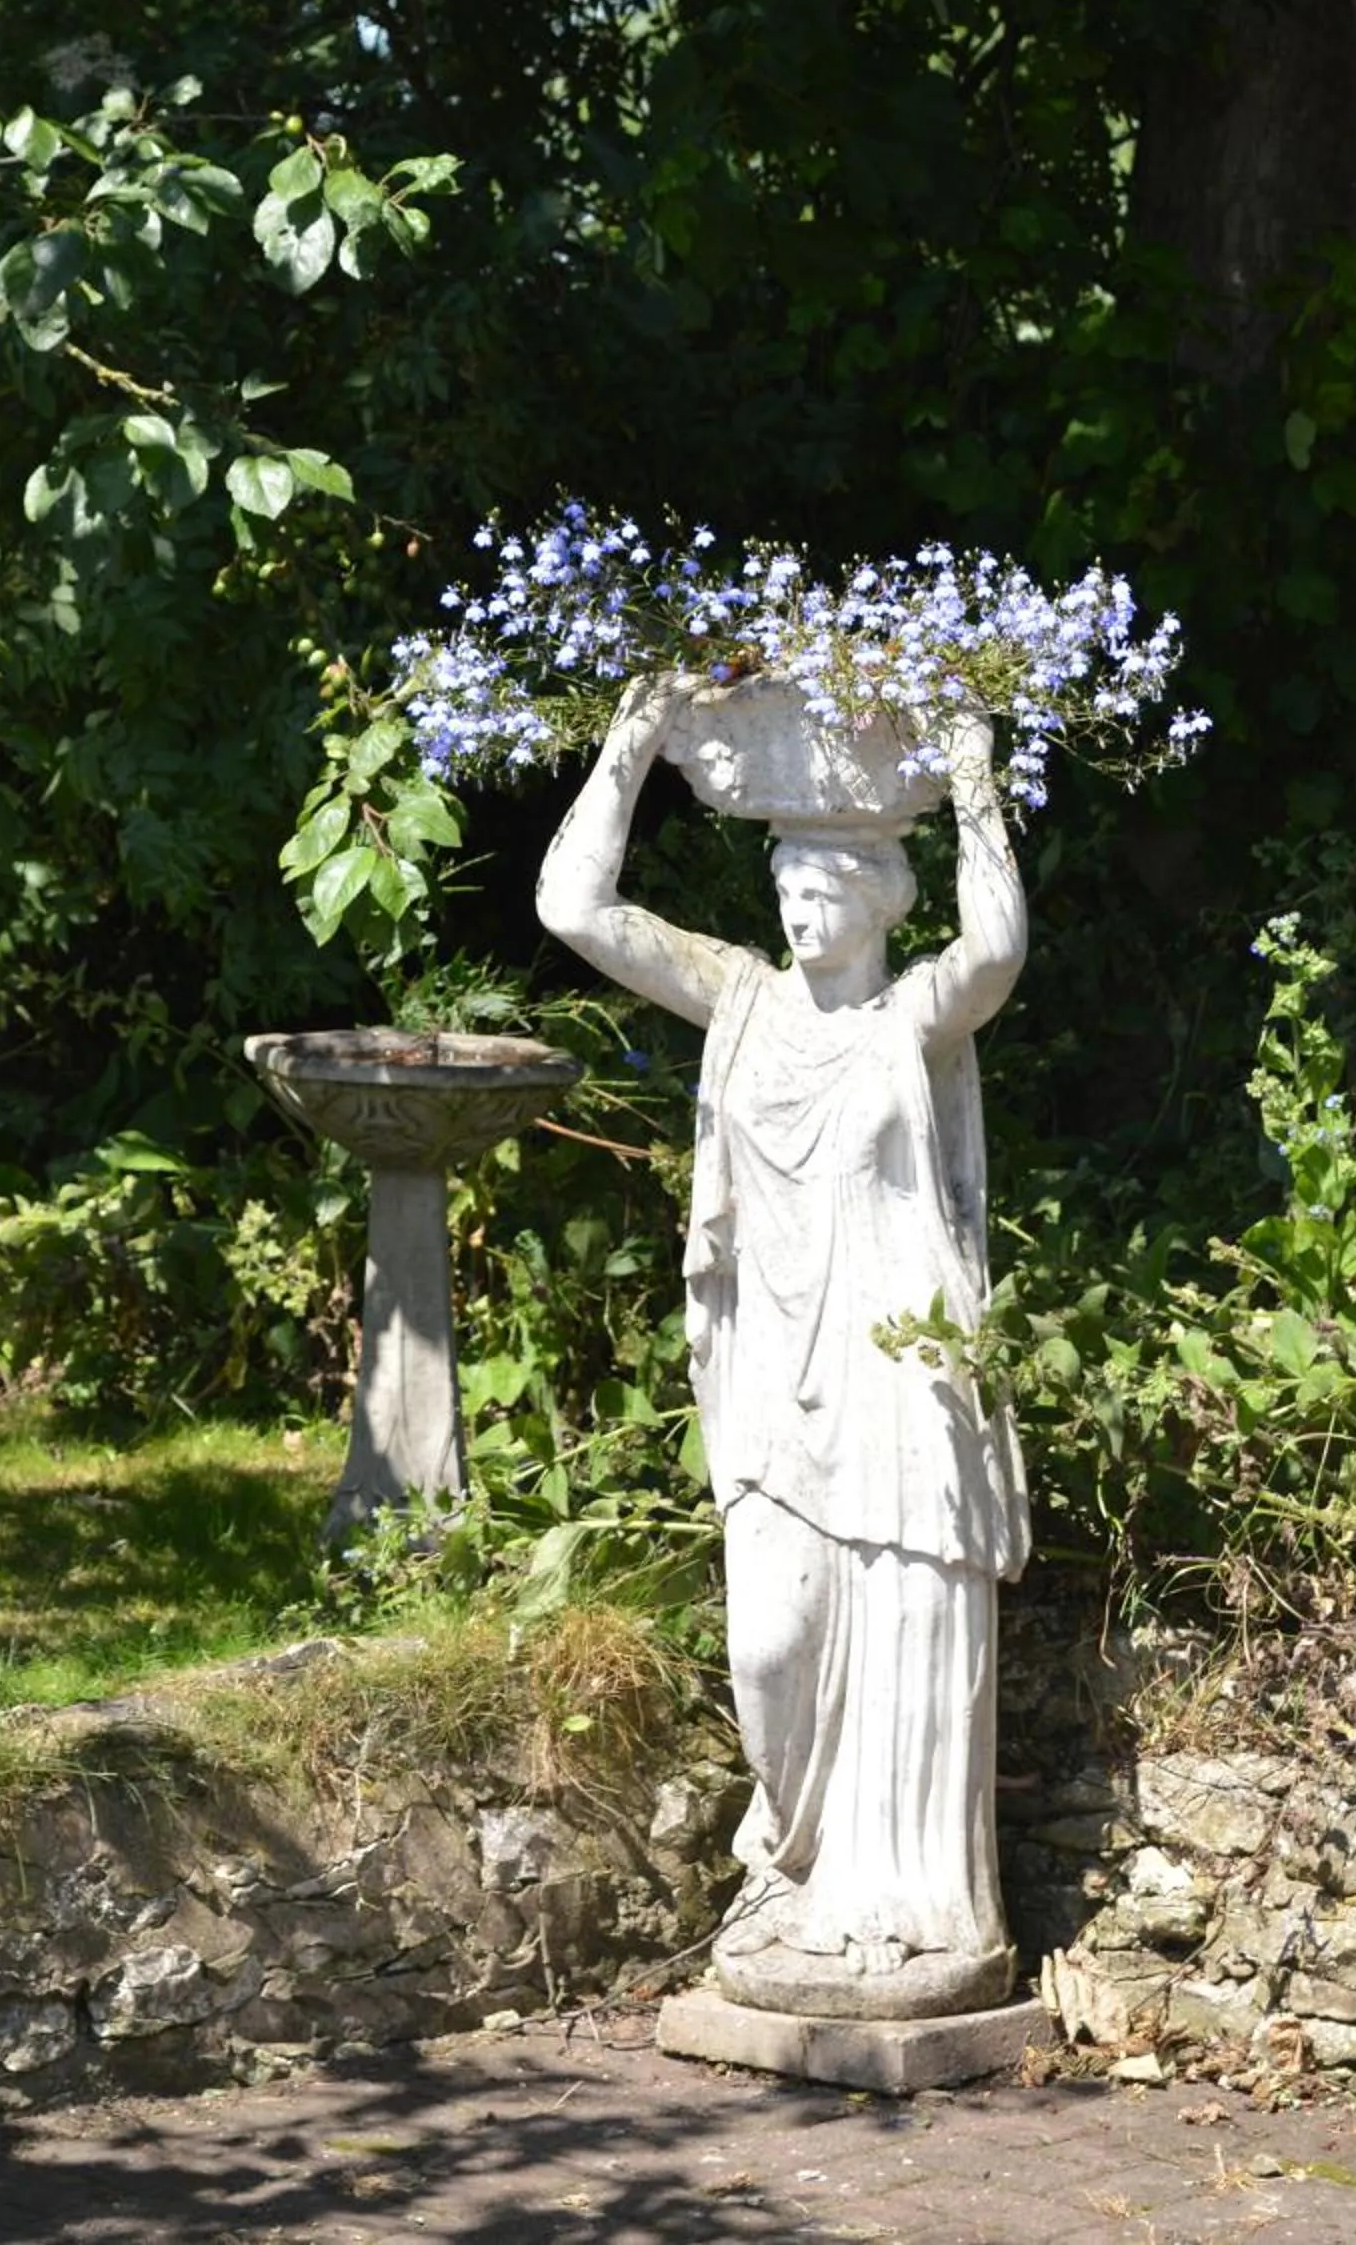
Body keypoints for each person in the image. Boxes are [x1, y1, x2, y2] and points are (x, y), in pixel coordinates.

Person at [536, 675, 1031, 2015]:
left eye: (824, 890)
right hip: (770, 1377)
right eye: (786, 888)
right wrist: (630, 746)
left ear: (878, 902)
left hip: (896, 1375)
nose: (796, 908)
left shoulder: (909, 1021)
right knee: (770, 1647)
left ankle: (904, 1905)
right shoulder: (740, 1001)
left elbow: (995, 947)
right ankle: (796, 1867)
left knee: (905, 1629)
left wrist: (976, 779)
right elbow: (573, 910)